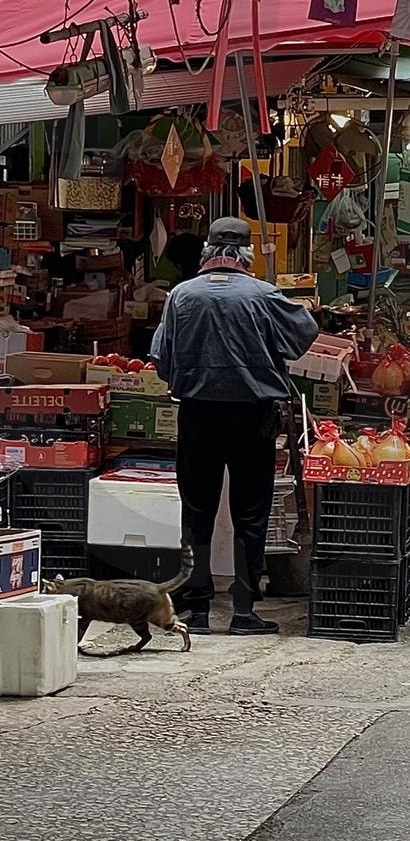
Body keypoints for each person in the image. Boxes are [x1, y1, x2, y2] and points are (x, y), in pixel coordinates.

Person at [150, 216, 318, 636]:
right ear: (246, 255)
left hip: (198, 413)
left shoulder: (181, 295)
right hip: (252, 416)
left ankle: (197, 609)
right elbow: (304, 334)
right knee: (251, 514)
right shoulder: (264, 294)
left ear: (207, 251)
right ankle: (243, 611)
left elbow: (161, 359)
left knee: (196, 512)